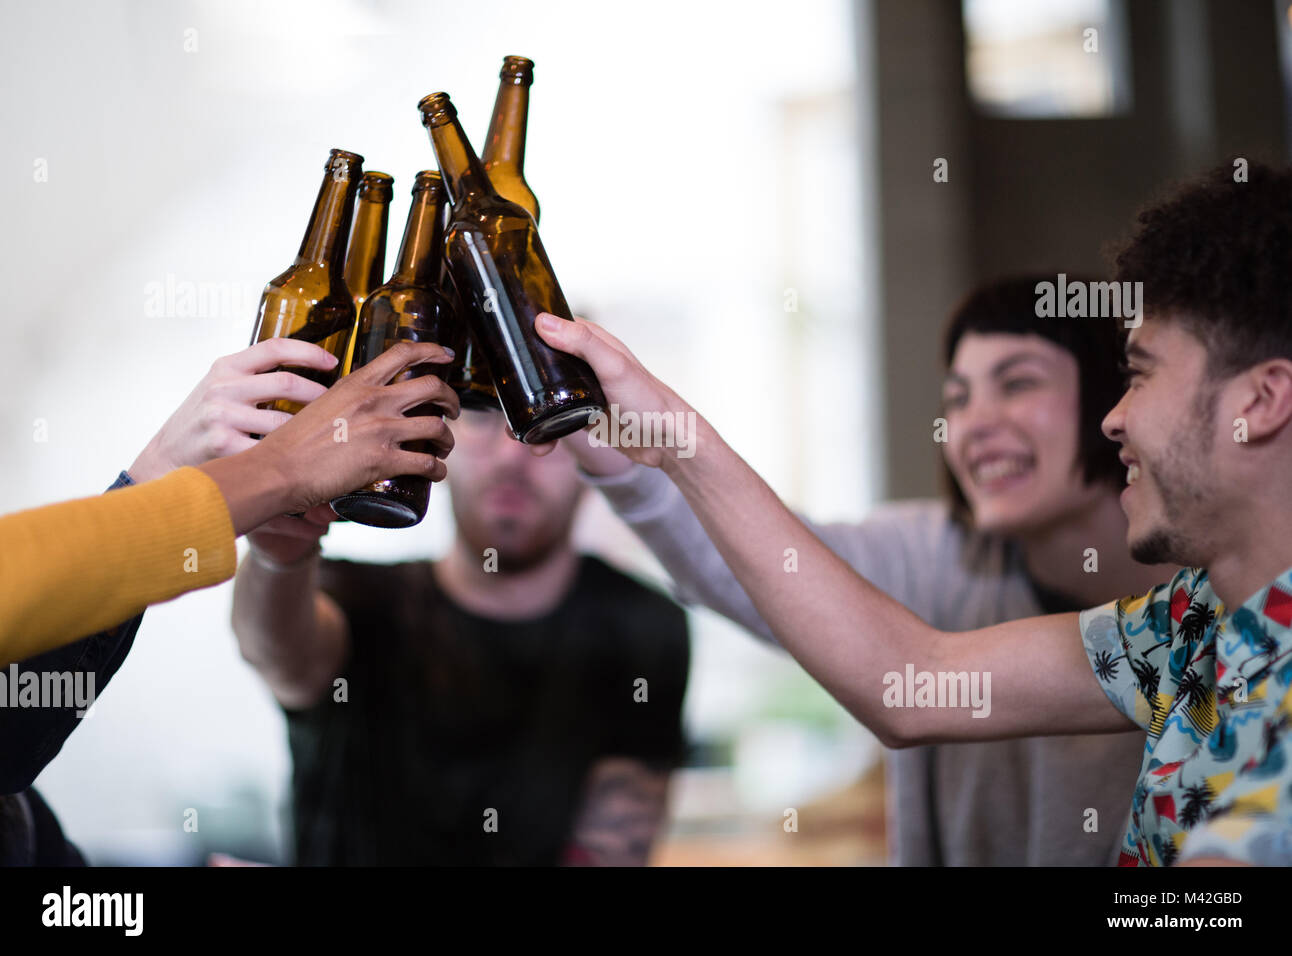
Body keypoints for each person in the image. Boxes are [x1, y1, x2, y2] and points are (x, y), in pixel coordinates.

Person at [532, 162, 1292, 866]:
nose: (1116, 418)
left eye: (1140, 376)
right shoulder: (1185, 622)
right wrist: (670, 439)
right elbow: (911, 683)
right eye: (957, 397)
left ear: (1260, 402)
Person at [561, 276, 1167, 866]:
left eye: (1017, 384)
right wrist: (601, 427)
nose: (974, 423)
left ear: (1117, 405)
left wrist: (673, 434)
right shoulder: (938, 555)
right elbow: (758, 567)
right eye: (957, 397)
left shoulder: (1199, 614)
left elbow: (909, 690)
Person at [0, 337, 458, 864]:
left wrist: (159, 469)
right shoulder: (375, 594)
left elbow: (8, 715)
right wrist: (278, 472)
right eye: (485, 415)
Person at [232, 404, 690, 866]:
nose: (513, 454)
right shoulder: (353, 597)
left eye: (550, 418)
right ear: (439, 435)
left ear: (595, 454)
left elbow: (611, 850)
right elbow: (279, 652)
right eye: (483, 414)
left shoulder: (642, 625)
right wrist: (280, 554)